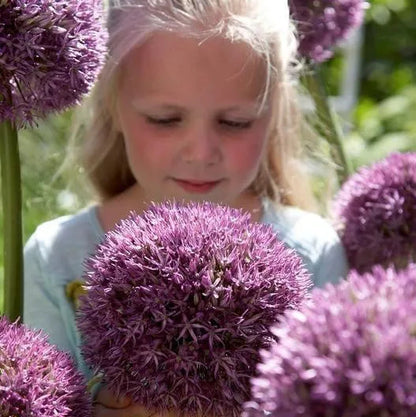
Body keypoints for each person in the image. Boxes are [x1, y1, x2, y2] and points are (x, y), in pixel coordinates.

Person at [23, 0, 349, 415]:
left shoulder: (314, 251)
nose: (200, 152)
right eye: (164, 118)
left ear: (273, 113)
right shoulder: (56, 257)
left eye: (235, 122)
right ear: (112, 106)